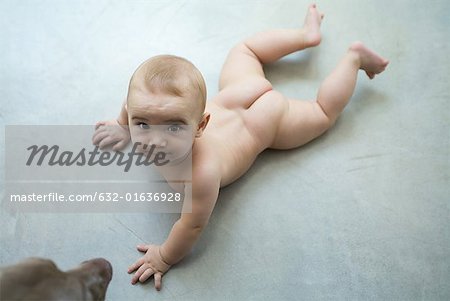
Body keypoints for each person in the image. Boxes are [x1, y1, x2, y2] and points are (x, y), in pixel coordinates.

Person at [92, 4, 389, 291]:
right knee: (244, 50)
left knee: (323, 113)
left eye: (173, 127)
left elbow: (191, 226)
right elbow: (131, 103)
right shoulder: (142, 106)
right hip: (239, 91)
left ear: (200, 126)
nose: (155, 140)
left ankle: (354, 58)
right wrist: (122, 125)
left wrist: (164, 256)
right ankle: (307, 36)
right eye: (141, 124)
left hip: (268, 120)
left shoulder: (201, 174)